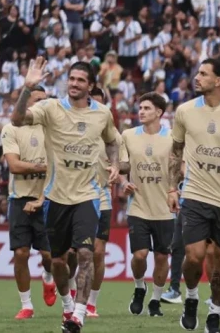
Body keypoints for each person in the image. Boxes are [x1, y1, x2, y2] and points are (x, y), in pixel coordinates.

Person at [10, 58, 120, 333]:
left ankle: (78, 316)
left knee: (86, 252)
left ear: (91, 85)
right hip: (56, 197)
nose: (74, 84)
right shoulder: (51, 108)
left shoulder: (102, 113)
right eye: (71, 79)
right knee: (58, 261)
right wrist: (27, 88)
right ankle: (67, 305)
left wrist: (115, 163)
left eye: (81, 80)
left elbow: (112, 141)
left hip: (87, 195)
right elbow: (17, 119)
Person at [165, 58, 220, 333]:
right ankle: (191, 298)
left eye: (204, 74)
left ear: (219, 81)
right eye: (198, 72)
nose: (197, 77)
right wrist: (171, 187)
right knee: (194, 255)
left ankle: (214, 313)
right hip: (194, 193)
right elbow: (175, 150)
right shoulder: (185, 110)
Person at [0, 84, 56, 319]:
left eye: (45, 99)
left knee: (50, 256)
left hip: (50, 198)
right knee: (21, 253)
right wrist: (44, 167)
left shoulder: (53, 128)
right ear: (27, 102)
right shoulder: (11, 128)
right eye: (37, 99)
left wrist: (38, 169)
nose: (42, 103)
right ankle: (27, 305)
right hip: (20, 199)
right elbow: (14, 165)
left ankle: (48, 277)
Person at [120, 92, 174, 318]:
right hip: (138, 206)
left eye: (147, 108)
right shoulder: (128, 135)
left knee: (162, 257)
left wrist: (176, 190)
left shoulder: (172, 137)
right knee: (140, 255)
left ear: (159, 113)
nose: (141, 111)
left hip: (165, 209)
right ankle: (140, 286)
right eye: (140, 107)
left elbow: (179, 170)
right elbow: (122, 166)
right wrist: (123, 181)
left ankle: (155, 299)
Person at [84, 87, 121, 318]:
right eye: (92, 104)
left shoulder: (114, 137)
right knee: (71, 253)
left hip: (101, 199)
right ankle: (69, 298)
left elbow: (124, 164)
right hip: (73, 196)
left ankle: (91, 303)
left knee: (97, 253)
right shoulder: (73, 130)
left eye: (100, 105)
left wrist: (118, 169)